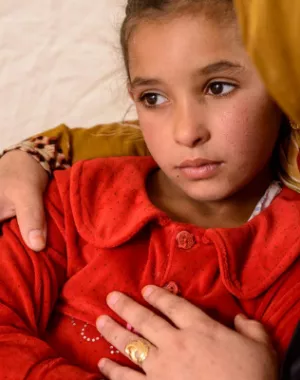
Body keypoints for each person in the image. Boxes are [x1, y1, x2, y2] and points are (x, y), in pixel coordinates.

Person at [0, 0, 299, 379]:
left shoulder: (291, 258)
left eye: (219, 87)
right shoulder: (71, 200)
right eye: (153, 98)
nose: (186, 132)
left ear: (283, 86)